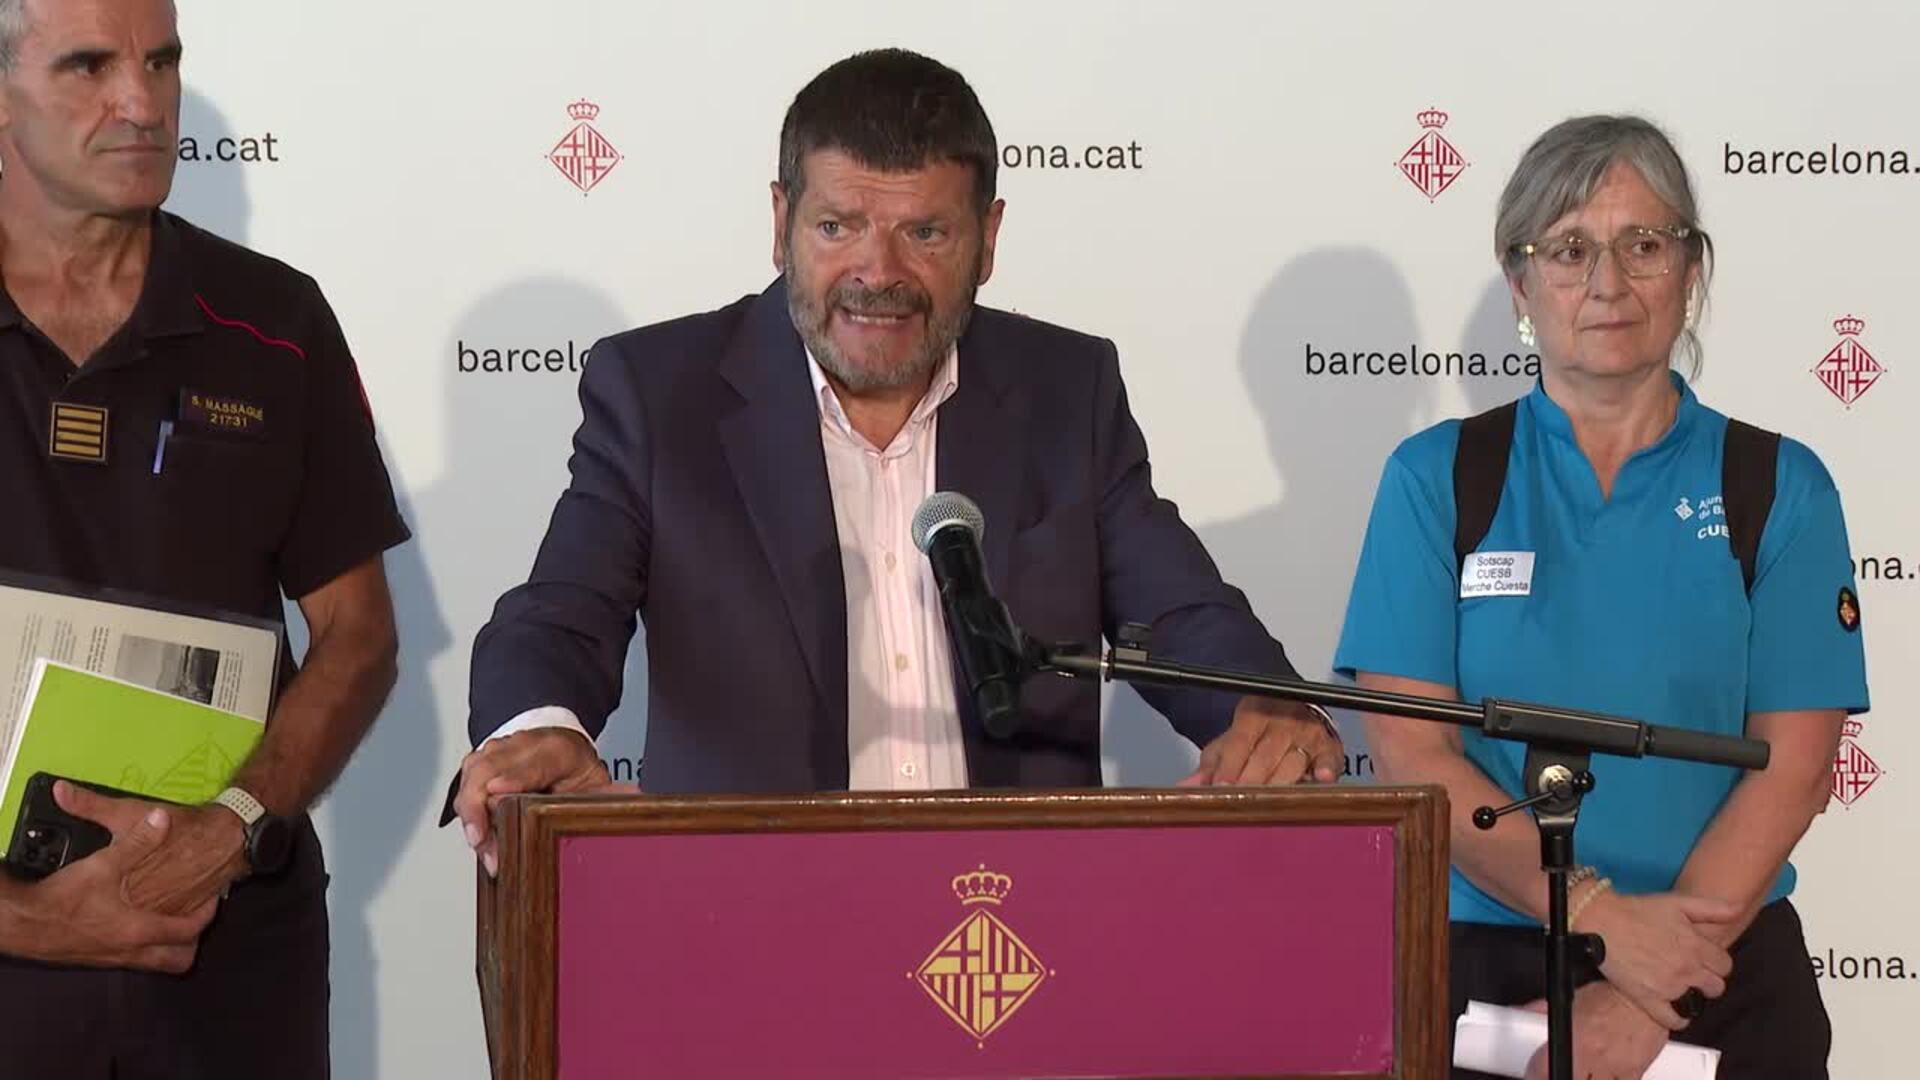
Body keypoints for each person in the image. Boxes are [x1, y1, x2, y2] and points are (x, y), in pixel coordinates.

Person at [454, 48, 1340, 868]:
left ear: (988, 238)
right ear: (781, 223)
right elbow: (562, 613)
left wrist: (1262, 710)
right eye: (837, 226)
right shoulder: (660, 395)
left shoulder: (1066, 391)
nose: (877, 273)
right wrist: (540, 727)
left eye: (926, 234)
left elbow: (1180, 612)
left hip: (1019, 923)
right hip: (753, 910)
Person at [1335, 115, 1865, 1079]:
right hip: (1485, 977)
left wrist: (1651, 993)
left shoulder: (1779, 485)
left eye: (1644, 245)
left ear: (1691, 270)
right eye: (1571, 250)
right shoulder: (1436, 479)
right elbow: (1413, 756)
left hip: (1724, 968)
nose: (1609, 283)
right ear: (1520, 283)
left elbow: (1794, 768)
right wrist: (1600, 919)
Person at [0, 0, 410, 1076]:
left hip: (227, 948)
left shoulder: (277, 323)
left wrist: (228, 828)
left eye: (162, 62)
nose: (141, 102)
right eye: (89, 66)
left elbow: (359, 635)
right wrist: (29, 918)